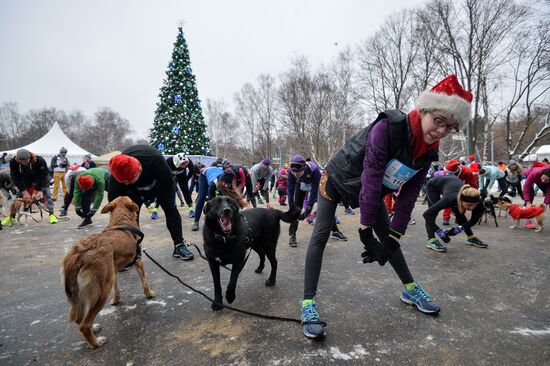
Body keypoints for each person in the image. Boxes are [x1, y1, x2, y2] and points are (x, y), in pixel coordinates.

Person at [299, 75, 473, 339]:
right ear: (423, 110)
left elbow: (408, 195)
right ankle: (308, 303)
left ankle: (410, 288)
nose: (440, 131)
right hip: (337, 180)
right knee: (321, 233)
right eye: (438, 120)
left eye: (450, 127)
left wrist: (393, 237)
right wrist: (365, 229)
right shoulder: (387, 127)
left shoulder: (428, 153)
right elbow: (371, 174)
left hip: (372, 190)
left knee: (389, 238)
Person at [107, 145, 194, 261]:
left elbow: (168, 188)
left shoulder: (156, 161)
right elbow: (114, 207)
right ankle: (132, 251)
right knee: (130, 215)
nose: (126, 183)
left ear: (138, 169)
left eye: (129, 180)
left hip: (159, 184)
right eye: (123, 182)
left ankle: (179, 245)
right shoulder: (117, 176)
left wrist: (150, 200)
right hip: (133, 192)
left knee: (171, 209)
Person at [287, 155, 347, 247]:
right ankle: (292, 235)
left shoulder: (314, 170)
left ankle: (335, 231)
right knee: (296, 209)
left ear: (304, 167)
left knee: (326, 207)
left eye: (298, 172)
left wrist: (308, 209)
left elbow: (314, 192)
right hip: (301, 185)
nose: (296, 174)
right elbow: (290, 190)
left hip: (315, 183)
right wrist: (291, 205)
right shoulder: (291, 173)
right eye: (294, 172)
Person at [423, 175, 486, 252]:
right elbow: (427, 215)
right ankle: (431, 239)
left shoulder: (478, 202)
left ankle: (471, 237)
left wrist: (459, 228)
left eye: (474, 205)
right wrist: (440, 232)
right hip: (434, 185)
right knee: (432, 213)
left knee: (460, 215)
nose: (472, 208)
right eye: (469, 205)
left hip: (452, 184)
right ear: (461, 201)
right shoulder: (449, 200)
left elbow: (474, 220)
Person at [6, 148, 58, 224]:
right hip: (26, 177)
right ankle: (12, 216)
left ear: (30, 157)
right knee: (19, 197)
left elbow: (43, 176)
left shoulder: (39, 160)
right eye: (21, 162)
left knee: (46, 193)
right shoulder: (13, 162)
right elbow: (15, 176)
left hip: (41, 177)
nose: (24, 163)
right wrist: (24, 191)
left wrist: (37, 190)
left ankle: (51, 214)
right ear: (17, 159)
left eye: (26, 161)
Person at [441, 159, 478, 225]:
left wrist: (472, 193)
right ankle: (446, 217)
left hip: (464, 186)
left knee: (464, 200)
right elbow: (444, 183)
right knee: (448, 199)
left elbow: (472, 184)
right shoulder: (446, 171)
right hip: (450, 186)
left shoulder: (467, 171)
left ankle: (459, 217)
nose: (447, 174)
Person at [191, 164, 224, 232]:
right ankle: (196, 222)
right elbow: (211, 201)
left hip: (217, 174)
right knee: (202, 197)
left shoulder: (228, 182)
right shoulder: (213, 184)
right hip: (204, 175)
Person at [166, 153, 196, 218]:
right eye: (182, 164)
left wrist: (186, 179)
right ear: (176, 162)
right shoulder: (168, 162)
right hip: (169, 174)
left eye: (186, 163)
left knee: (185, 190)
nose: (185, 165)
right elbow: (163, 172)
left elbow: (192, 170)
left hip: (181, 175)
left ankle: (191, 209)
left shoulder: (189, 162)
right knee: (170, 189)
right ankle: (157, 209)